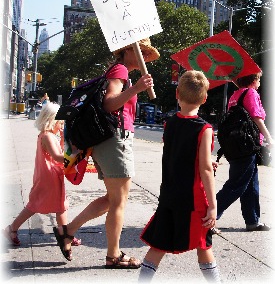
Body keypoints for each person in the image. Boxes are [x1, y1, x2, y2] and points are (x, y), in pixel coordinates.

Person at [53, 38, 160, 267]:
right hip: (115, 140)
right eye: (141, 51)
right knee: (119, 201)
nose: (144, 56)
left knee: (112, 200)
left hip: (111, 140)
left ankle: (68, 231)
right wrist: (137, 88)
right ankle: (113, 255)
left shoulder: (119, 71)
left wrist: (135, 86)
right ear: (128, 50)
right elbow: (109, 104)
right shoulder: (120, 70)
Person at [138, 70, 221, 283]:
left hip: (169, 195)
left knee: (159, 245)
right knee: (204, 244)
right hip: (193, 199)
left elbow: (179, 153)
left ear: (177, 94)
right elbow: (204, 170)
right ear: (204, 98)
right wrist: (212, 205)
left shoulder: (170, 123)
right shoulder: (205, 129)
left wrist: (202, 160)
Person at [2, 102, 81, 247]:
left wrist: (63, 137)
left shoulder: (48, 135)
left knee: (56, 205)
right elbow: (58, 157)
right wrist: (75, 156)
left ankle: (64, 234)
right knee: (45, 205)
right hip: (48, 176)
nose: (62, 125)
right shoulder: (47, 136)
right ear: (52, 120)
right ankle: (64, 235)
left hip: (49, 175)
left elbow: (60, 150)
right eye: (60, 122)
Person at [211, 72, 273, 235]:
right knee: (236, 184)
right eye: (259, 79)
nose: (260, 82)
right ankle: (207, 218)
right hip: (247, 144)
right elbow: (256, 117)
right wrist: (268, 137)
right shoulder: (251, 92)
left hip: (236, 144)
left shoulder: (236, 94)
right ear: (253, 80)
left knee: (251, 184)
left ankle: (252, 221)